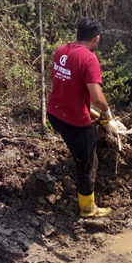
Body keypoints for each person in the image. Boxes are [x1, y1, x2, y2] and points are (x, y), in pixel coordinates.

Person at [46, 17, 113, 218]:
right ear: (96, 39)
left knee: (79, 153)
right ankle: (87, 209)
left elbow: (66, 86)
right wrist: (105, 113)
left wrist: (89, 111)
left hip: (54, 114)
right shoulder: (89, 59)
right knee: (88, 162)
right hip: (73, 121)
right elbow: (96, 96)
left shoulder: (61, 51)